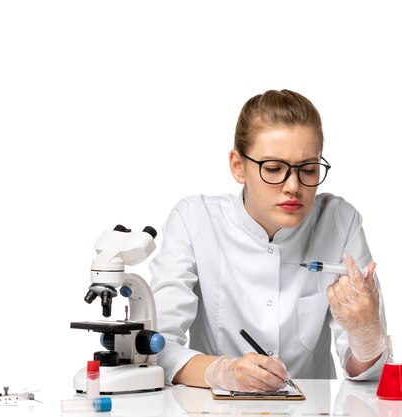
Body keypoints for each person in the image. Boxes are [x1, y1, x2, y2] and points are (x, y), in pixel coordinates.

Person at [149, 89, 387, 392]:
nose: (293, 186)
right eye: (273, 168)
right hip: (217, 410)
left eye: (308, 169)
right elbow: (156, 346)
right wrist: (222, 372)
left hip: (310, 413)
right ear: (238, 166)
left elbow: (362, 374)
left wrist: (366, 336)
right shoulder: (195, 220)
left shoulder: (339, 221)